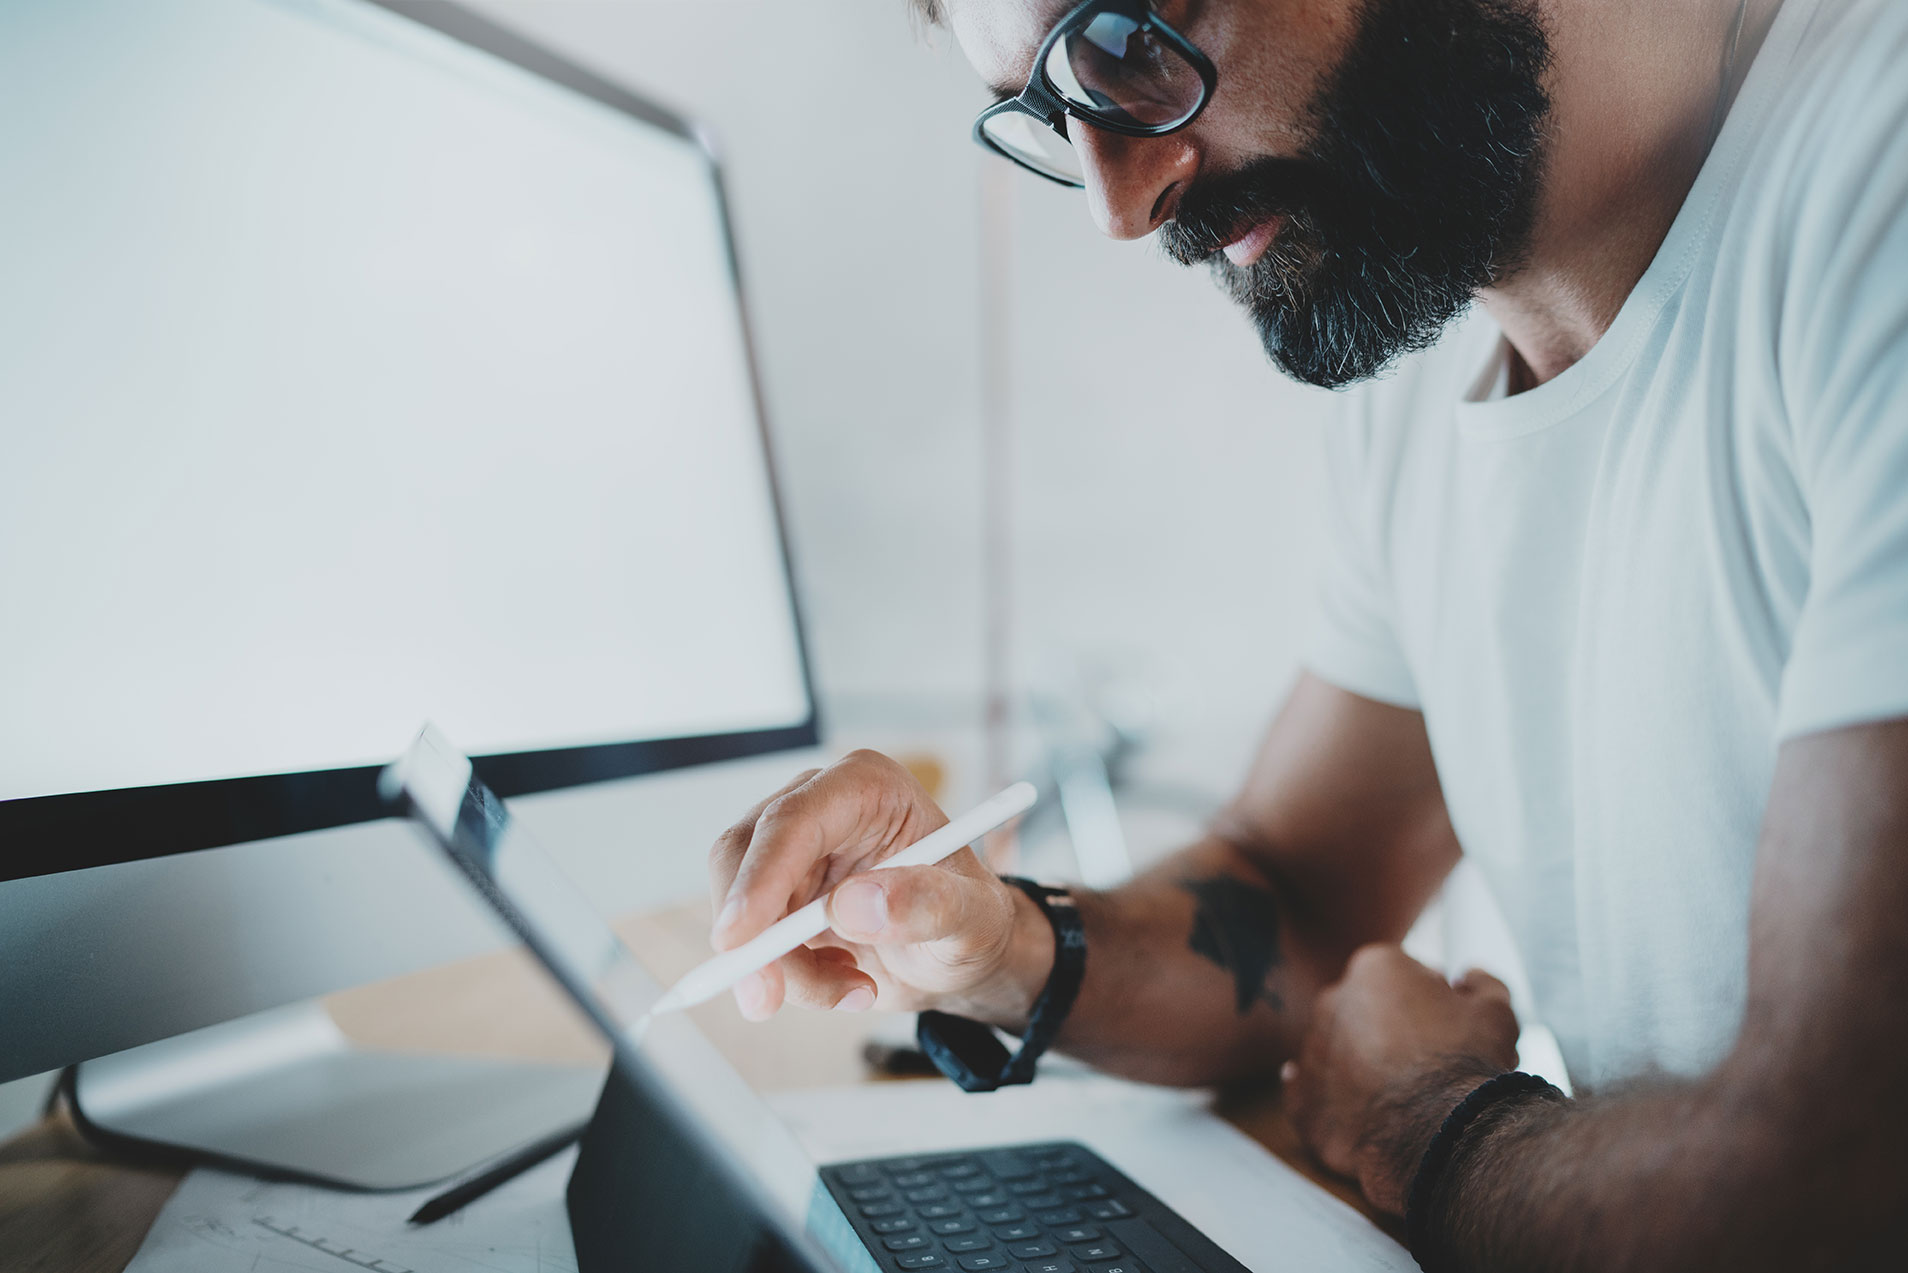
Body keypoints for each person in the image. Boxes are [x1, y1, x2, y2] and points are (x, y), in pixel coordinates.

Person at [708, 0, 1908, 1266]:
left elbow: (1840, 1183)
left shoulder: (1873, 180)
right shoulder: (1428, 363)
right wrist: (990, 936)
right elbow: (1298, 891)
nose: (1121, 207)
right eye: (1057, 112)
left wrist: (1428, 1119)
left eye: (1123, 39)